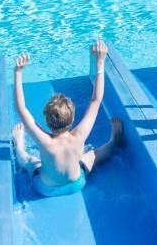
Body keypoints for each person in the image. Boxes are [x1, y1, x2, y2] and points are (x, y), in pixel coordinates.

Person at [12, 39, 122, 197]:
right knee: (93, 155)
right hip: (77, 184)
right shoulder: (79, 135)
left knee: (29, 160)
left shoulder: (45, 141)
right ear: (72, 119)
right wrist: (99, 62)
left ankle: (19, 144)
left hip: (46, 189)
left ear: (47, 121)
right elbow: (96, 100)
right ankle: (113, 142)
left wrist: (18, 73)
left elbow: (21, 109)